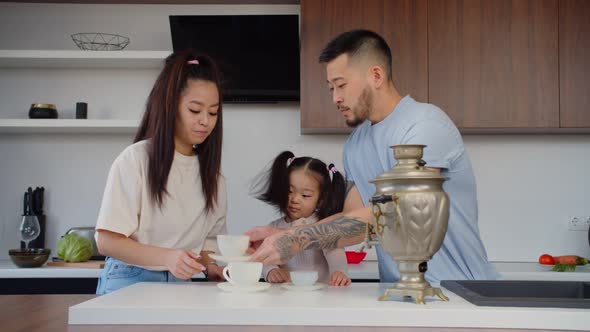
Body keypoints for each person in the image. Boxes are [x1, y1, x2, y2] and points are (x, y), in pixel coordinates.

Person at [246, 29, 499, 284]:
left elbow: (397, 213)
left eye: (342, 85)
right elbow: (354, 225)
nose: (336, 98)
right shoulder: (355, 144)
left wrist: (296, 240)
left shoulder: (424, 125)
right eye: (331, 87)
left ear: (376, 75)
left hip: (458, 293)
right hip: (397, 294)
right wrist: (281, 233)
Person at [94, 50, 227, 295]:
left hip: (181, 284)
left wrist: (211, 266)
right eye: (195, 110)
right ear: (170, 106)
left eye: (213, 112)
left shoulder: (214, 178)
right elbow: (106, 240)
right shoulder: (136, 160)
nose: (205, 121)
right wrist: (168, 258)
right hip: (130, 278)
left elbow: (207, 244)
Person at [251, 151, 351, 286]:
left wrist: (339, 271)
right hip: (286, 297)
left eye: (305, 195)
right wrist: (270, 270)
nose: (295, 199)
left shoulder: (322, 227)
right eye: (289, 191)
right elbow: (264, 257)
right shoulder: (273, 228)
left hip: (319, 296)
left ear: (321, 199)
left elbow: (335, 252)